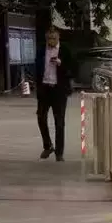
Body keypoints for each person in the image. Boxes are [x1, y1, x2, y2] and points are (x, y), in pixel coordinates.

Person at [35, 26, 74, 161]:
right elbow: (37, 67)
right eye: (49, 38)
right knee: (41, 117)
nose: (51, 41)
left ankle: (59, 152)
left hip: (59, 90)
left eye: (54, 38)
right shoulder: (41, 50)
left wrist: (60, 63)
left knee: (59, 121)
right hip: (45, 88)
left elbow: (73, 69)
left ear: (58, 38)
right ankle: (48, 145)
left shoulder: (65, 50)